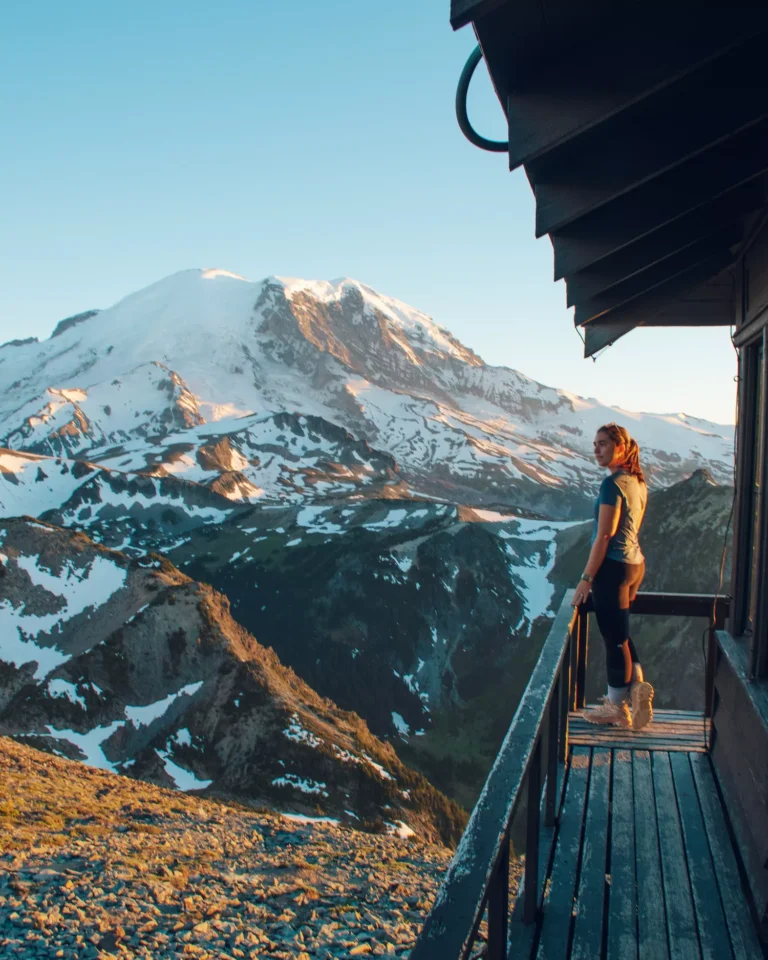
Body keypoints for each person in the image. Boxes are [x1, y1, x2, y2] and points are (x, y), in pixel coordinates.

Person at [571, 422, 654, 729]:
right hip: (634, 566)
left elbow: (603, 537)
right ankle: (637, 689)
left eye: (603, 443)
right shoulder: (637, 481)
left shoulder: (612, 484)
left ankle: (616, 707)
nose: (596, 449)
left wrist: (586, 578)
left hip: (613, 569)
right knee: (622, 631)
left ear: (620, 447)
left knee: (614, 639)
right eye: (595, 443)